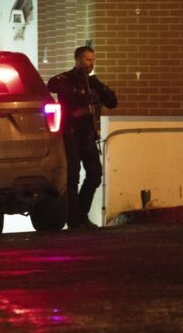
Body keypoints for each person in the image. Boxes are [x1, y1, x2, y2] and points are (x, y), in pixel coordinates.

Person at [47, 46, 118, 228]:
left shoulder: (93, 82)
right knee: (72, 177)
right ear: (78, 60)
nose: (91, 63)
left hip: (88, 135)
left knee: (95, 174)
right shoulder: (67, 79)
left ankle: (80, 212)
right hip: (71, 134)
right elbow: (52, 84)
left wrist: (99, 86)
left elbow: (112, 102)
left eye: (93, 60)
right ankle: (74, 219)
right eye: (88, 60)